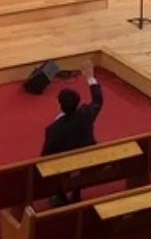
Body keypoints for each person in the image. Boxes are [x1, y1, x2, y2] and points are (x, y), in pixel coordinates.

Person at [41, 59, 103, 206]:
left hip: (66, 166)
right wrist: (90, 78)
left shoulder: (54, 128)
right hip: (89, 160)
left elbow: (46, 154)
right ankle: (76, 190)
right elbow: (98, 100)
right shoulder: (86, 113)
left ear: (59, 104)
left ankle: (61, 197)